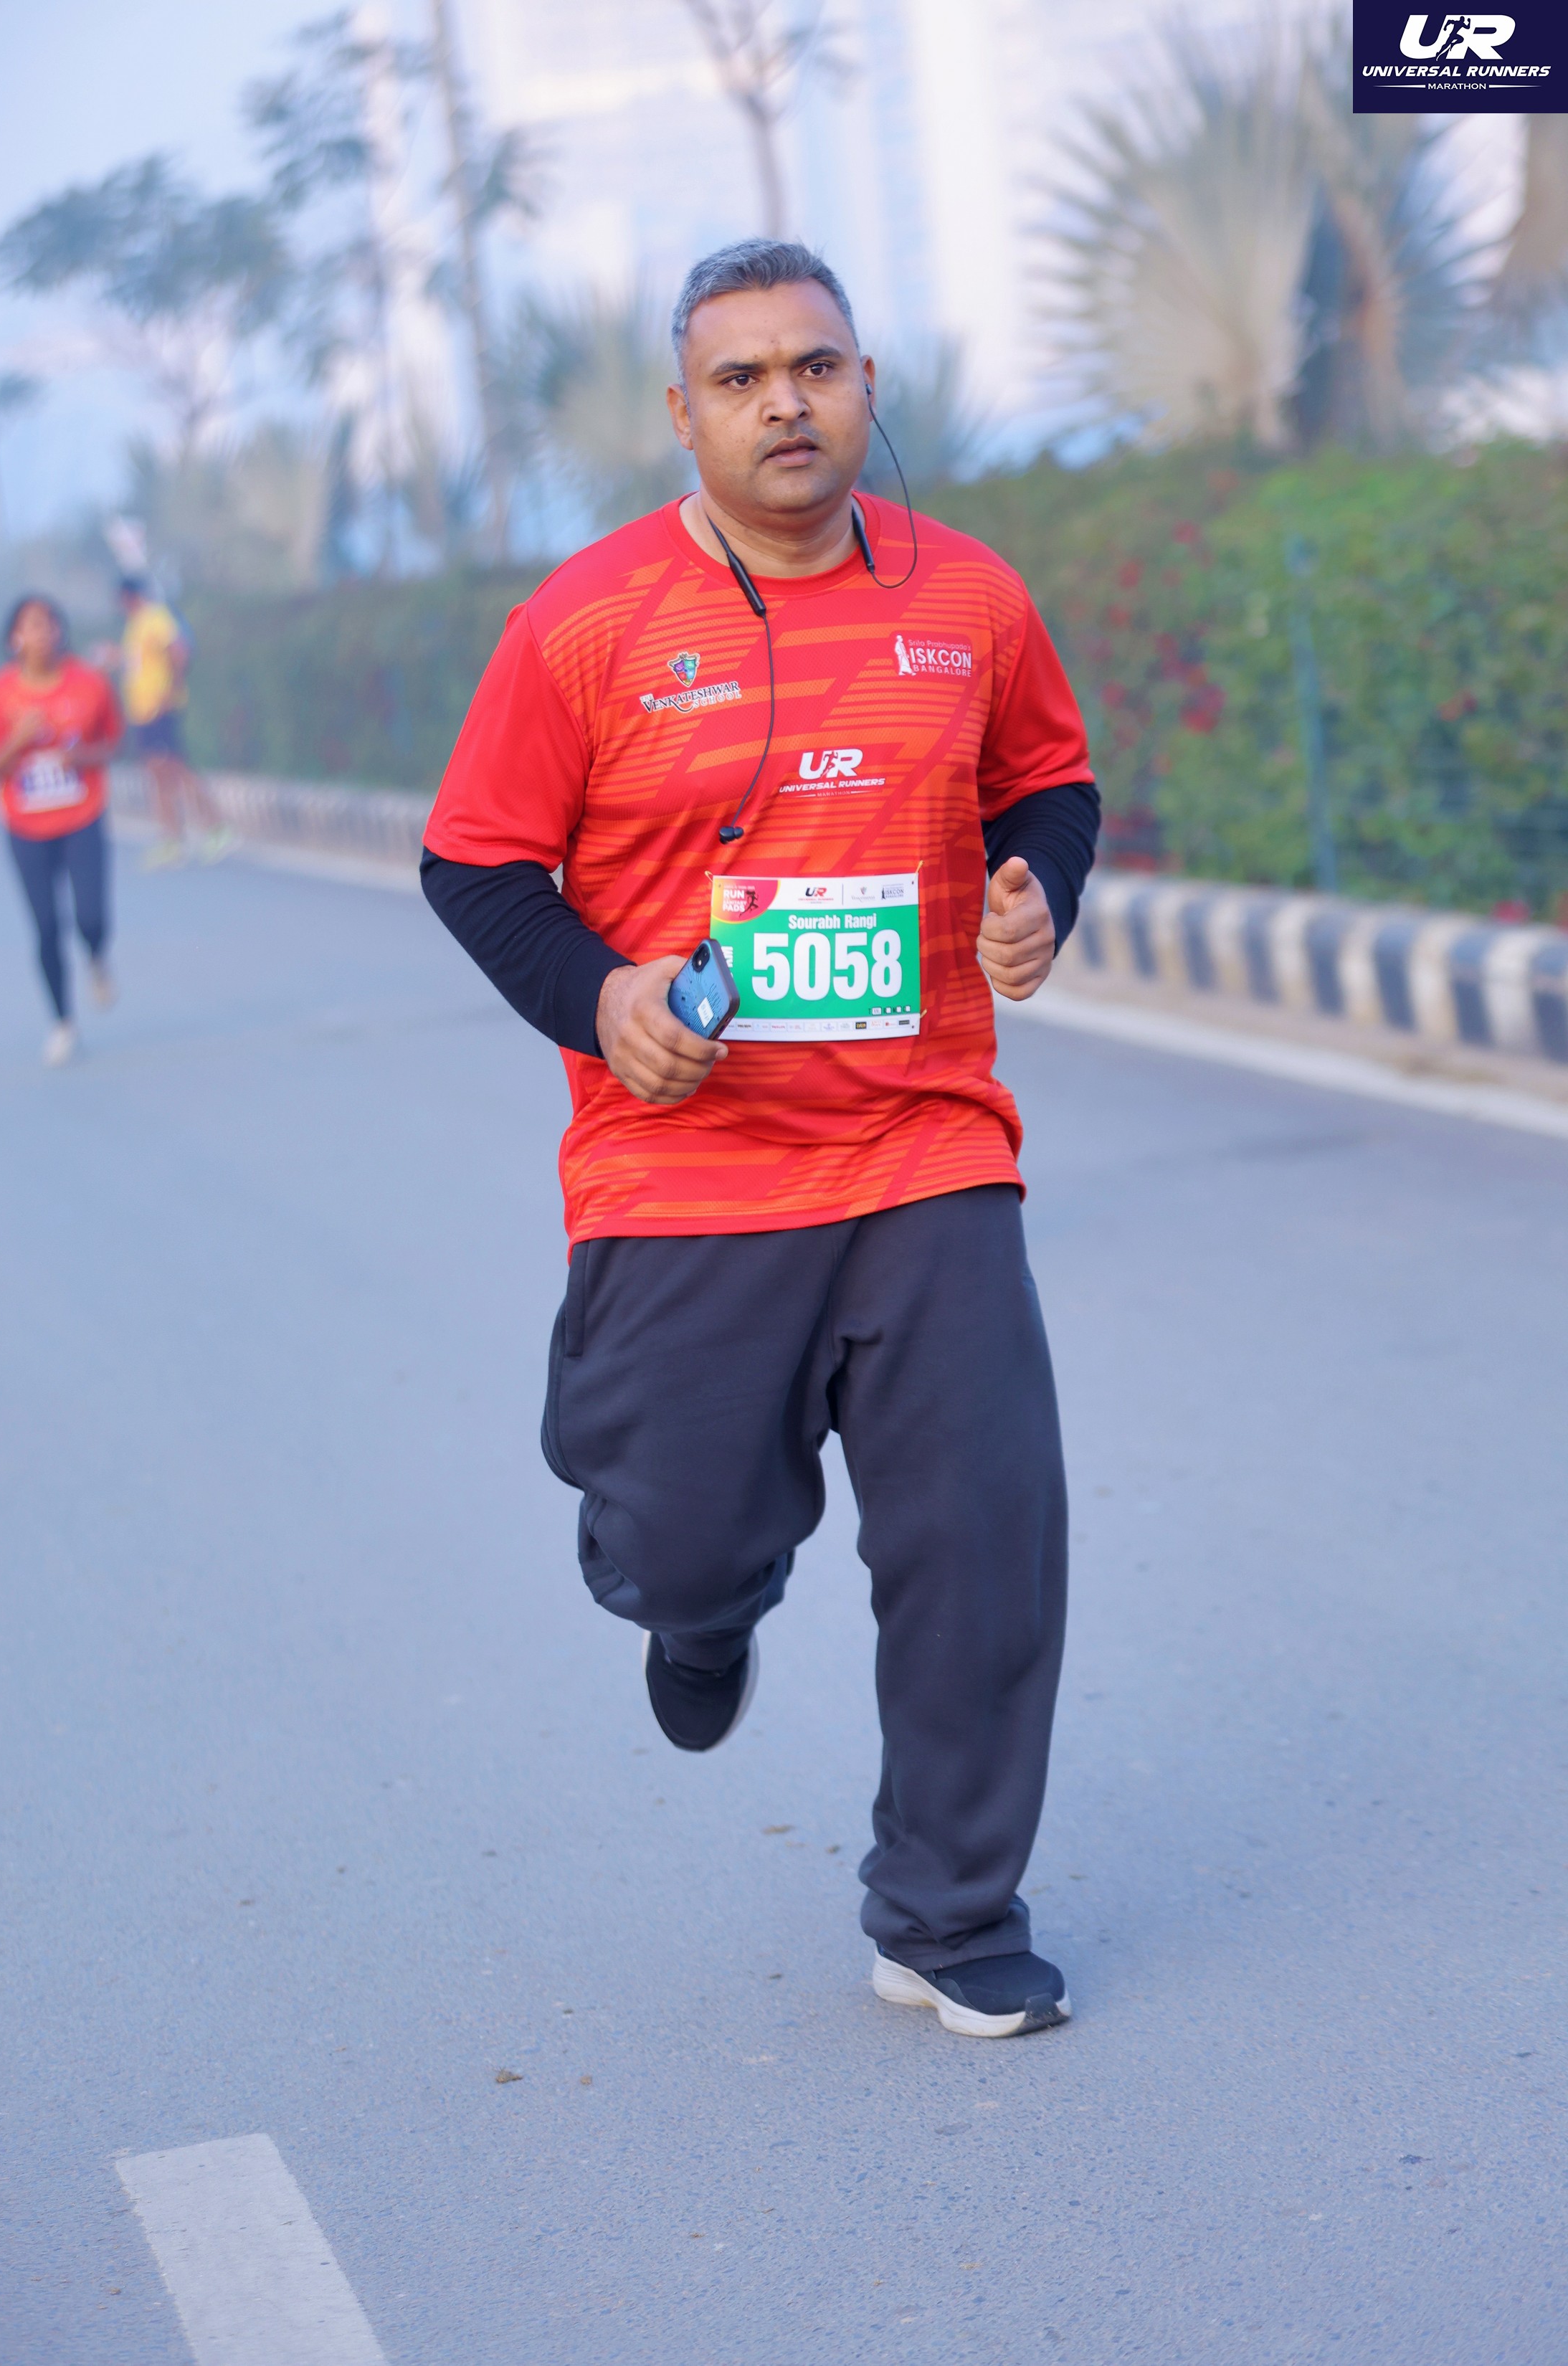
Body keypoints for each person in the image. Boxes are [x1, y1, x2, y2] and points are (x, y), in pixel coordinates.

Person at [421, 240, 1102, 2041]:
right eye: (741, 378)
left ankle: (948, 1913)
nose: (783, 402)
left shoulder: (970, 596)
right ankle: (696, 1604)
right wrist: (601, 999)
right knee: (683, 1531)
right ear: (683, 413)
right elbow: (474, 864)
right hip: (684, 1163)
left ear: (867, 383)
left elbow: (1046, 778)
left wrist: (1039, 885)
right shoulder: (585, 624)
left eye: (816, 366)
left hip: (926, 1141)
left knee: (987, 1528)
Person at [0, 594, 124, 1065]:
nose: (43, 634)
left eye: (50, 624)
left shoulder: (90, 684)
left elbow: (113, 743)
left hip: (82, 816)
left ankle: (97, 956)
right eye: (32, 626)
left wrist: (82, 757)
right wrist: (19, 741)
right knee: (46, 927)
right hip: (26, 826)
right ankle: (63, 1023)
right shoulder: (0, 694)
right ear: (15, 638)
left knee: (90, 917)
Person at [116, 576, 229, 865]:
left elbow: (178, 650)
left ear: (128, 596)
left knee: (177, 769)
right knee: (157, 773)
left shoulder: (155, 616)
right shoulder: (136, 624)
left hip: (161, 708)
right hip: (143, 711)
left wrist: (171, 690)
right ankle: (172, 838)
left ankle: (217, 827)